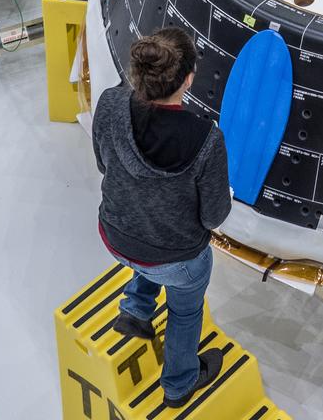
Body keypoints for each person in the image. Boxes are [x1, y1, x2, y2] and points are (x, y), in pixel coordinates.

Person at [92, 27, 232, 409]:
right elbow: (214, 215)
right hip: (177, 261)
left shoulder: (109, 104)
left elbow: (104, 163)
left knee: (149, 230)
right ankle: (180, 383)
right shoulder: (206, 139)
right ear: (188, 79)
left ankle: (136, 310)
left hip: (114, 235)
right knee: (185, 310)